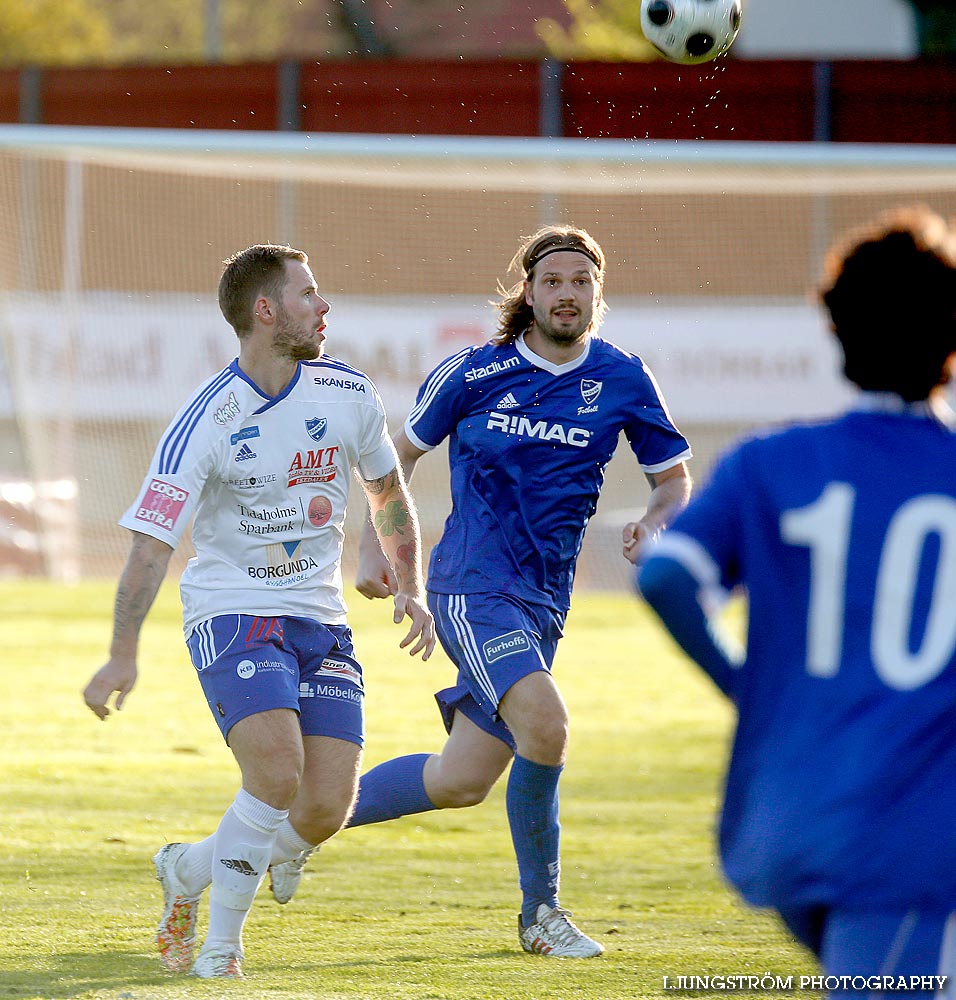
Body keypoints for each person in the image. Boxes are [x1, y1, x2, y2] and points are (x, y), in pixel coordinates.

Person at [269, 225, 693, 957]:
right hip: (470, 587)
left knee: (461, 779)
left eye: (581, 282)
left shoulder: (624, 378)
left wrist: (657, 520)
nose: (567, 294)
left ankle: (291, 829)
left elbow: (674, 478)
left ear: (598, 295)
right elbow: (390, 459)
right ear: (527, 292)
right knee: (549, 726)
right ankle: (542, 916)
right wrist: (378, 550)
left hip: (543, 603)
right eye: (553, 281)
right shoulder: (473, 372)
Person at [82, 244, 435, 979]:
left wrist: (409, 584)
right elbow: (150, 549)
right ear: (266, 311)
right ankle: (220, 951)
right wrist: (122, 652)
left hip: (321, 618)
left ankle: (187, 869)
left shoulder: (348, 393)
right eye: (310, 293)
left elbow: (388, 494)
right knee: (275, 773)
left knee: (323, 808)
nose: (325, 306)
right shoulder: (205, 419)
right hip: (232, 611)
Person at [636, 206, 956, 994]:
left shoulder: (771, 462)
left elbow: (667, 575)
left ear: (839, 332)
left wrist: (746, 688)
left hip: (791, 815)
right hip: (909, 836)